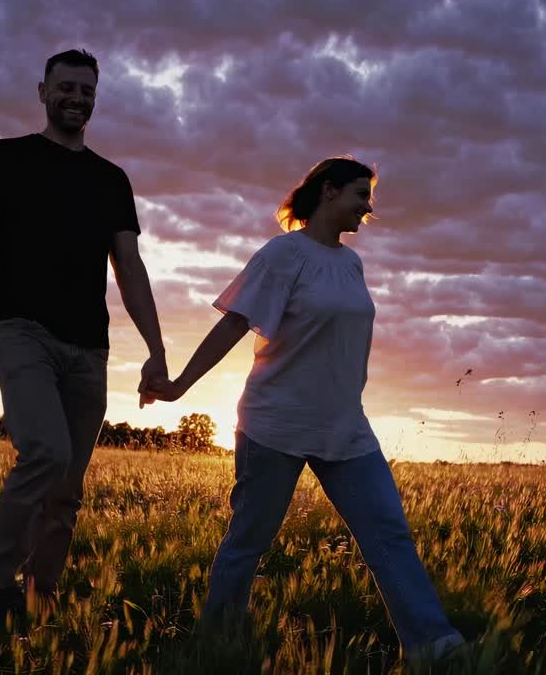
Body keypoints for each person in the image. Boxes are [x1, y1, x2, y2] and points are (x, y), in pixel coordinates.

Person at [144, 157, 466, 669]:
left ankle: (433, 646)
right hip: (276, 423)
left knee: (388, 532)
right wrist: (181, 384)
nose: (369, 206)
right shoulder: (283, 254)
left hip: (345, 427)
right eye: (361, 194)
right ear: (329, 192)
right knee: (249, 540)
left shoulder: (351, 264)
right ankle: (219, 643)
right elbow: (235, 324)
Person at [0, 48, 167, 612]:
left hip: (89, 345)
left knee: (66, 490)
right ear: (42, 92)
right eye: (65, 88)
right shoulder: (5, 159)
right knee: (44, 450)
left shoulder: (111, 180)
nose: (76, 98)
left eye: (87, 91)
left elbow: (130, 269)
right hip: (22, 329)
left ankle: (42, 602)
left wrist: (157, 351)